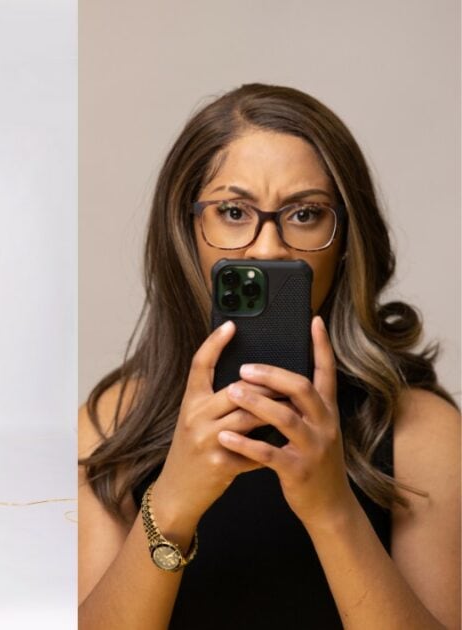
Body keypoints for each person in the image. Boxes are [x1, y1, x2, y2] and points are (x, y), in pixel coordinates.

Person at [78, 84, 460, 629]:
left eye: (305, 214)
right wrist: (172, 504)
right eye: (233, 211)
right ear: (186, 231)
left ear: (347, 237)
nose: (267, 248)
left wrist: (331, 509)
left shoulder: (421, 430)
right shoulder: (115, 422)